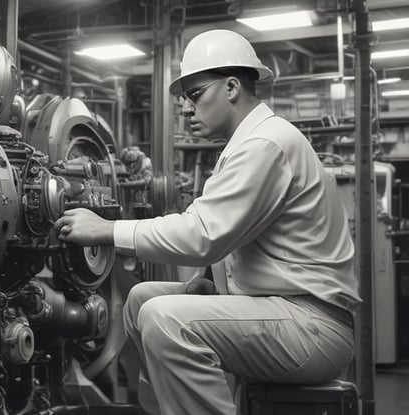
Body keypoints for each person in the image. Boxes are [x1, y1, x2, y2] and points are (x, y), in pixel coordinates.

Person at [53, 29, 360, 415]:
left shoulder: (265, 145)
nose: (185, 109)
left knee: (164, 319)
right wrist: (217, 284)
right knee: (141, 299)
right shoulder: (250, 143)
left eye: (195, 95)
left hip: (313, 326)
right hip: (282, 309)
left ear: (232, 87)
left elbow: (203, 235)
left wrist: (107, 230)